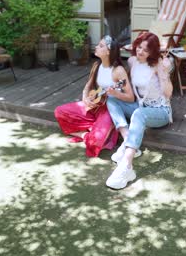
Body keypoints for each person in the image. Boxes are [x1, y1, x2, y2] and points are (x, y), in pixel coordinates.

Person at [105, 31, 173, 189]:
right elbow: (128, 86)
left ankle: (126, 166)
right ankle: (128, 138)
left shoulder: (158, 65)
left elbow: (168, 93)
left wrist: (165, 72)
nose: (140, 51)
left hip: (160, 111)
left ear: (153, 53)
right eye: (139, 47)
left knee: (138, 114)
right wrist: (115, 90)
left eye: (146, 50)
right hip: (141, 107)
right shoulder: (132, 61)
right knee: (112, 99)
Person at [54, 35, 135, 157]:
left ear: (109, 51)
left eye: (101, 45)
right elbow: (87, 86)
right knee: (59, 111)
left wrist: (115, 93)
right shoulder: (97, 65)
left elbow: (131, 97)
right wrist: (85, 98)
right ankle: (88, 133)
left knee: (95, 141)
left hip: (109, 109)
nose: (96, 47)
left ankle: (93, 132)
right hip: (95, 105)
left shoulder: (118, 70)